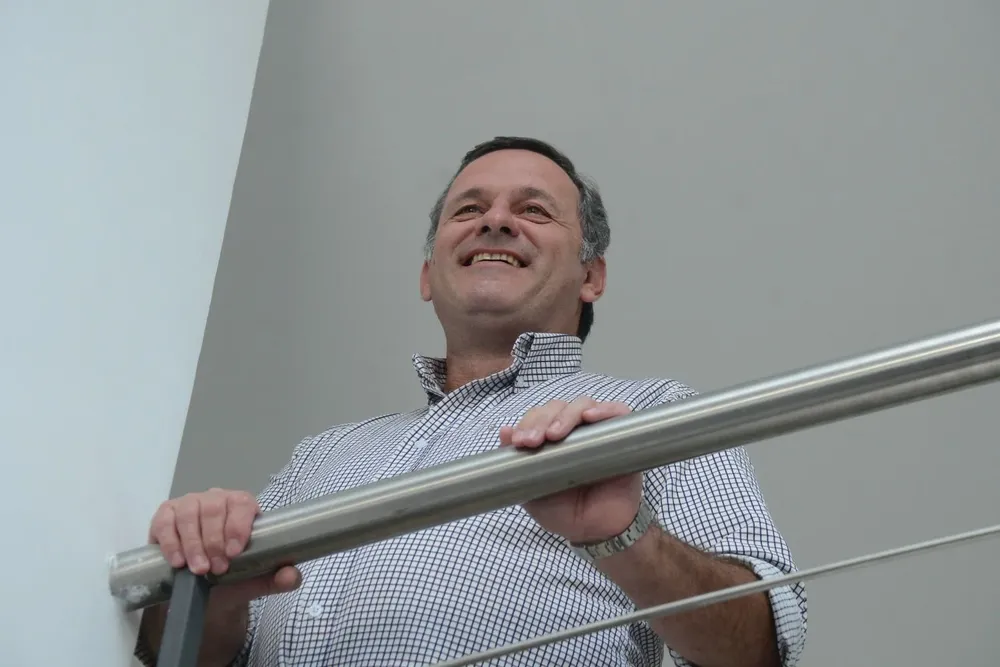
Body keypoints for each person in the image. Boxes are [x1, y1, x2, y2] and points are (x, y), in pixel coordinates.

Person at [136, 136, 807, 667]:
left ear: (592, 275)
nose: (495, 221)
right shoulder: (324, 453)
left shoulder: (653, 412)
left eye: (534, 210)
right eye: (468, 210)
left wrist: (624, 536)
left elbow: (762, 647)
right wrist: (209, 577)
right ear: (428, 275)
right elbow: (191, 656)